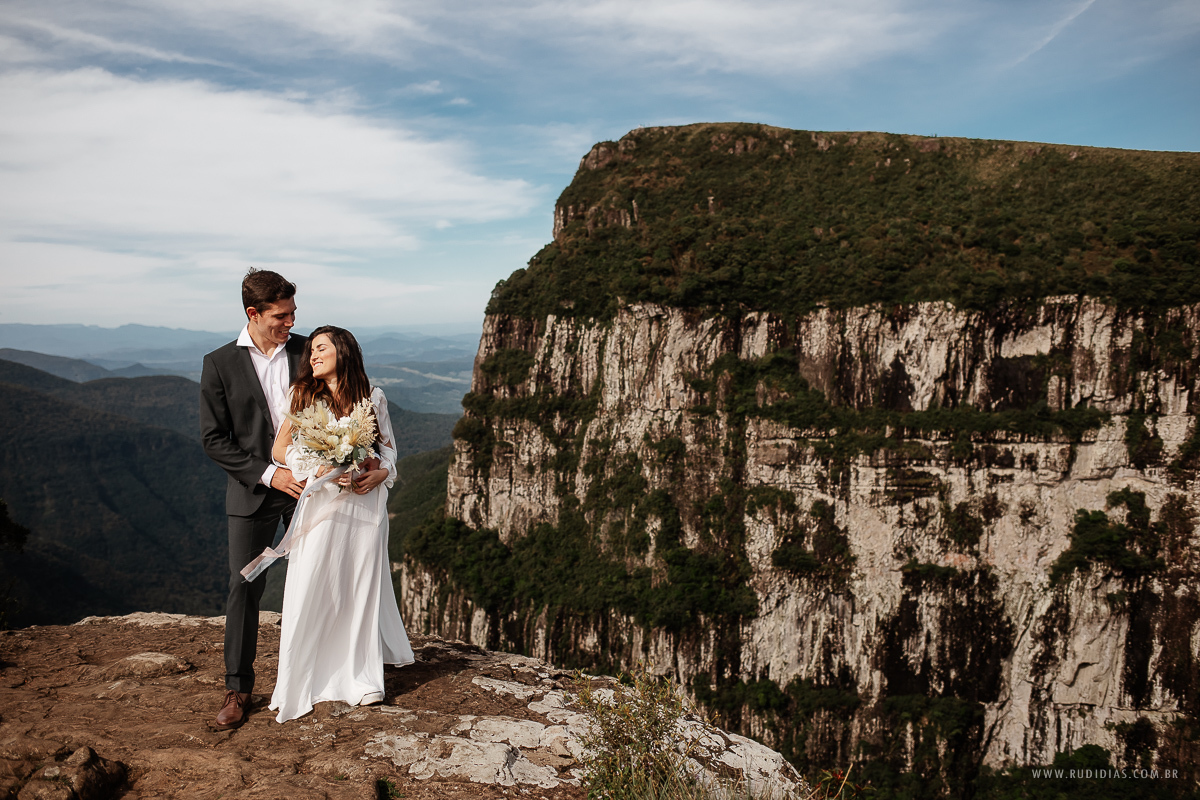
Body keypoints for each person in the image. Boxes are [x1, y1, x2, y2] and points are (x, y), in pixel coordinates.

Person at [266, 325, 414, 723]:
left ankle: (364, 679)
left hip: (365, 509)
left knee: (359, 587)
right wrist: (316, 464)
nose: (311, 356)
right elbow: (279, 448)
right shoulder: (303, 396)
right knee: (316, 582)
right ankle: (305, 677)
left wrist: (381, 474)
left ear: (342, 351)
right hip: (324, 505)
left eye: (320, 348)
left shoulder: (373, 398)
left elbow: (388, 452)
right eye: (310, 351)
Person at [200, 269, 307, 730]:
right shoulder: (219, 363)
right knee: (245, 587)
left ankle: (315, 676)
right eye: (281, 315)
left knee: (321, 579)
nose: (291, 321)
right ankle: (238, 689)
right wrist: (269, 474)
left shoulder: (308, 351)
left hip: (311, 494)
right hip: (255, 498)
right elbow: (213, 439)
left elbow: (345, 407)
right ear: (254, 314)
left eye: (293, 313)